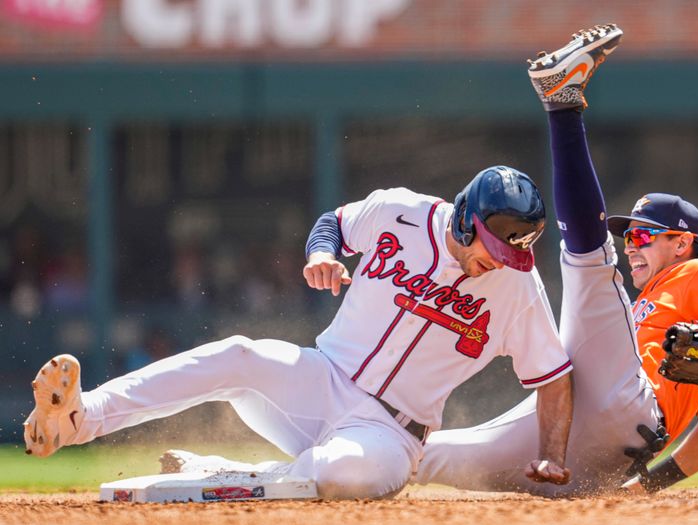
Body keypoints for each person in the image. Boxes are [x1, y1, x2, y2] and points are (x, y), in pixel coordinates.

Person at [23, 166, 575, 499]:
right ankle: (79, 417)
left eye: (516, 252)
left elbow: (552, 377)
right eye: (496, 248)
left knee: (343, 477)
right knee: (240, 354)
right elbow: (334, 222)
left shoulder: (517, 290)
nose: (503, 263)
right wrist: (322, 253)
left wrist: (552, 453)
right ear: (462, 220)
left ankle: (234, 474)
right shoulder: (400, 213)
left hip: (390, 432)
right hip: (319, 380)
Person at [414, 23, 698, 496]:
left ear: (682, 243)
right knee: (420, 457)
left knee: (589, 262)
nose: (632, 243)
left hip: (627, 409)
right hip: (576, 440)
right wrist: (640, 489)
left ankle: (562, 104)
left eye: (645, 234)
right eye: (628, 235)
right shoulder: (663, 319)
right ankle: (318, 459)